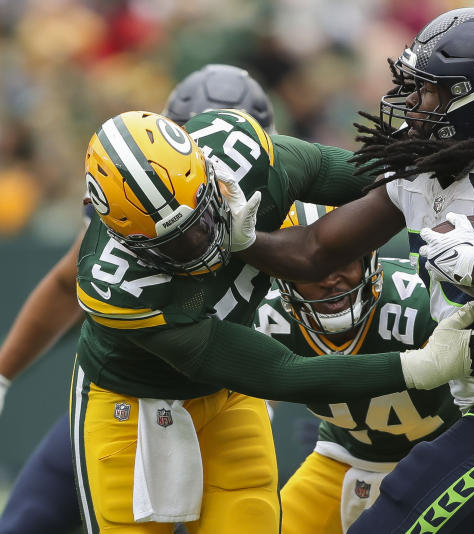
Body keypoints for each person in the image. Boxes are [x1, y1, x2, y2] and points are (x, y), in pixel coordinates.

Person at [227, 7, 474, 533]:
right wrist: (240, 237)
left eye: (431, 91)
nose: (414, 106)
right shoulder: (424, 169)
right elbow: (316, 250)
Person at [69, 105, 474, 534]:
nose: (199, 242)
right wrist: (422, 365)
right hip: (132, 399)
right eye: (173, 243)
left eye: (203, 215)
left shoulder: (240, 154)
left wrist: (447, 179)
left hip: (224, 395)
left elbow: (363, 176)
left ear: (207, 171)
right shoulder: (116, 286)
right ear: (124, 237)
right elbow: (278, 372)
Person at [0, 64, 276, 534]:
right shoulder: (133, 212)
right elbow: (70, 287)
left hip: (228, 399)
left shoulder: (283, 207)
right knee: (29, 519)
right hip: (126, 398)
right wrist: (3, 374)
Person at [254, 201, 458, 534]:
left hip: (442, 460)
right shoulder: (271, 320)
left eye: (341, 258)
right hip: (343, 455)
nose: (329, 278)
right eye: (308, 266)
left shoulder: (419, 301)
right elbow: (251, 406)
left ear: (368, 255)